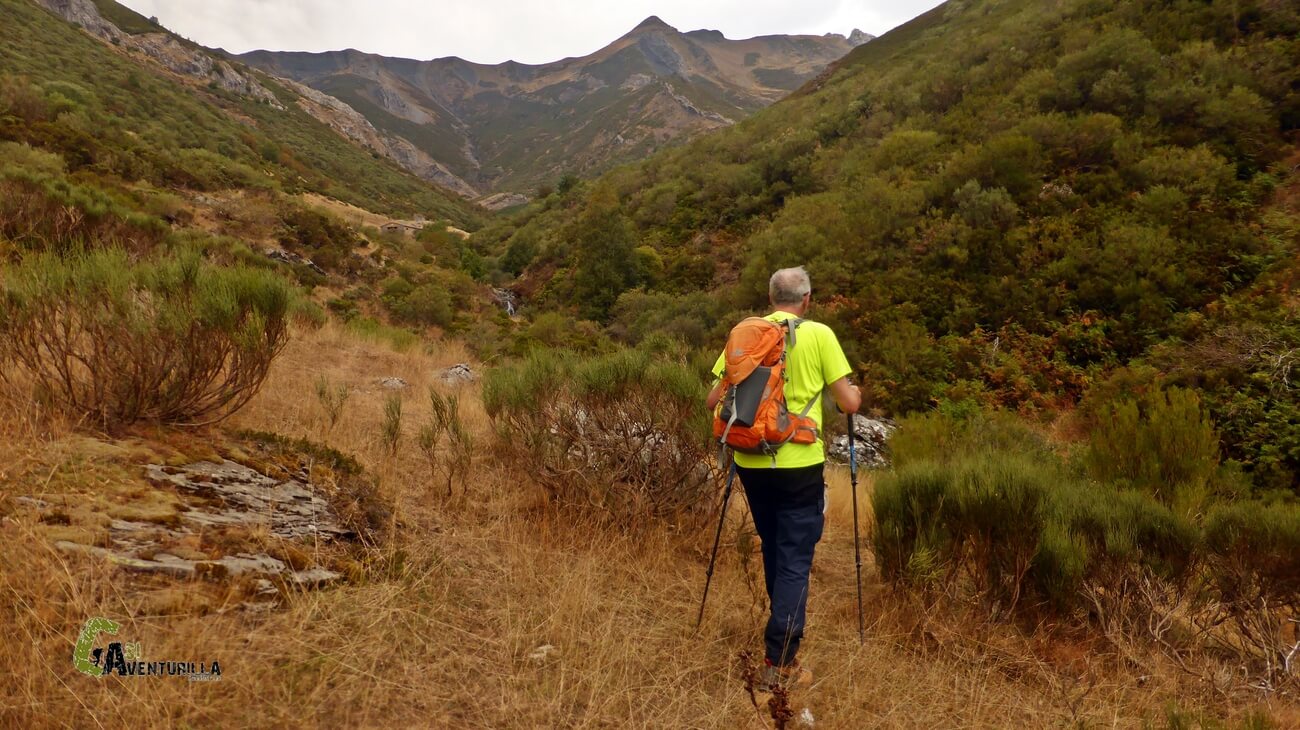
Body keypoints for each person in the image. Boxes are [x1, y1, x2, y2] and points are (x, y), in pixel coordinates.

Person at [705, 266, 861, 691]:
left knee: (775, 548)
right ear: (806, 300)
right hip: (799, 465)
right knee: (794, 557)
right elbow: (848, 402)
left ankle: (782, 624)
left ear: (771, 297)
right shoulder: (820, 335)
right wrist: (855, 391)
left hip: (751, 463)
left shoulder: (746, 333)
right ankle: (780, 661)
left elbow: (714, 399)